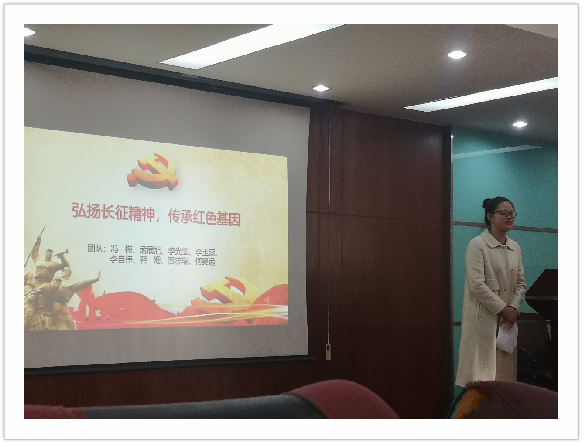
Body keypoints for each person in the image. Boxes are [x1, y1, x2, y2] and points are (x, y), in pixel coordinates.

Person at [455, 196, 526, 387]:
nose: (509, 217)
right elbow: (477, 285)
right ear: (490, 216)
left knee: (504, 383)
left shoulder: (515, 247)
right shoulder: (477, 245)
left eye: (512, 213)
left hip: (506, 325)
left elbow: (520, 284)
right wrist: (504, 309)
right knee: (481, 383)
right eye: (503, 213)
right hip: (482, 323)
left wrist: (514, 308)